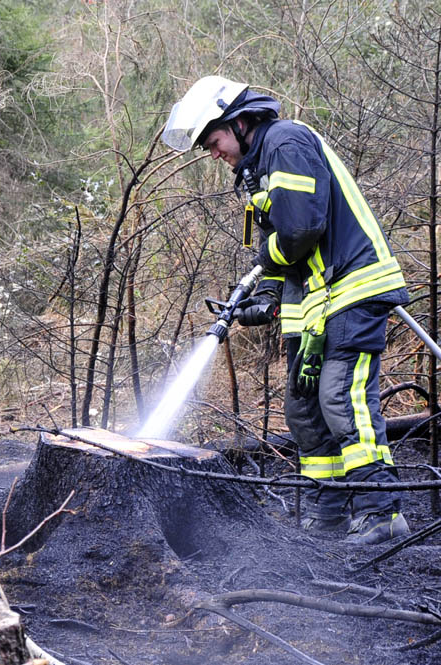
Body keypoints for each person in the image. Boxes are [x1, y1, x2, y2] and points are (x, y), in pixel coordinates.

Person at [162, 76, 411, 546]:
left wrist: (265, 263)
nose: (214, 154)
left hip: (353, 288)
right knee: (303, 410)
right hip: (317, 298)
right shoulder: (259, 168)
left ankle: (382, 511)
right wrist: (269, 297)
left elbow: (300, 230)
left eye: (214, 142)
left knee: (340, 397)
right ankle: (331, 513)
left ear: (237, 122)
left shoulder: (286, 141)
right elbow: (278, 244)